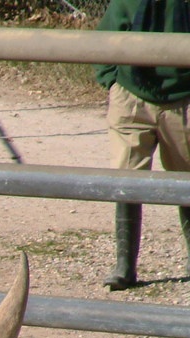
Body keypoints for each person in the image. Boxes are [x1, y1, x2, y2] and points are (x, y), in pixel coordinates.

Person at [95, 0, 190, 290]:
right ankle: (125, 266)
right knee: (126, 177)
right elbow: (104, 38)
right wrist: (112, 82)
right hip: (132, 95)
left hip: (183, 98)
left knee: (186, 179)